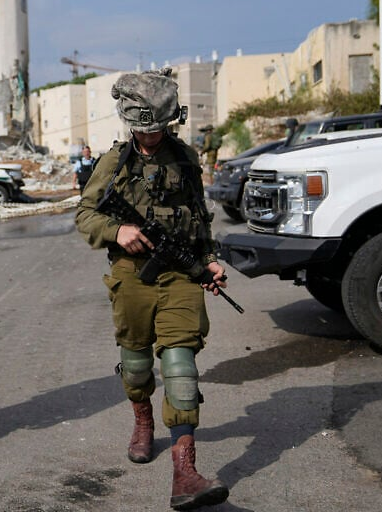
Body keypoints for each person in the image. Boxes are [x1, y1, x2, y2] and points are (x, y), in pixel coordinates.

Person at [75, 68, 230, 510]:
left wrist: (210, 260)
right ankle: (142, 420)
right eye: (143, 128)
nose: (150, 136)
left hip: (181, 275)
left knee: (181, 365)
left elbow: (199, 215)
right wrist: (117, 230)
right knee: (137, 362)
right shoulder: (115, 161)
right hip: (131, 276)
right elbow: (84, 215)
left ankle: (186, 470)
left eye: (157, 127)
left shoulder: (185, 158)